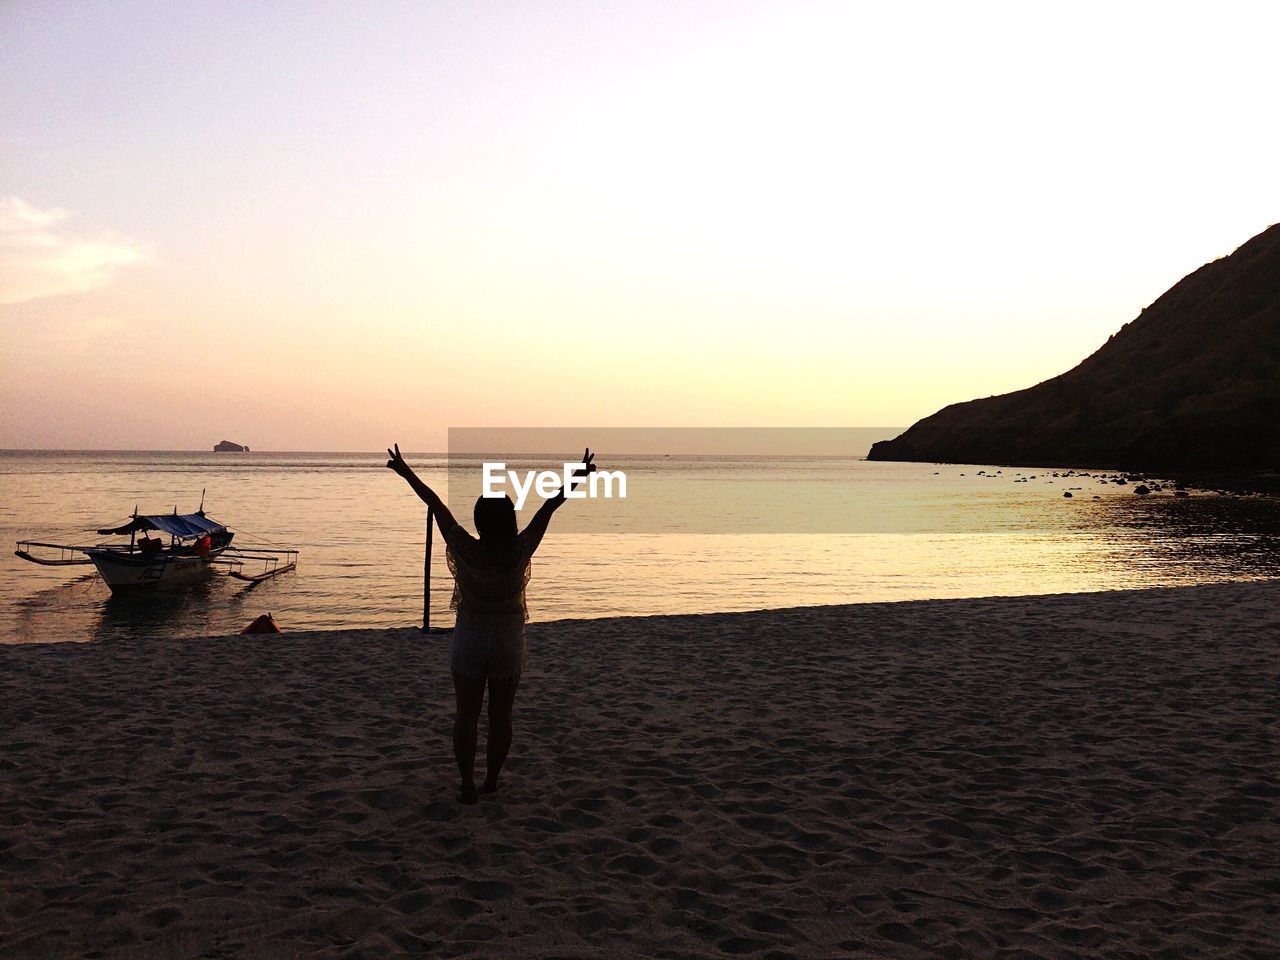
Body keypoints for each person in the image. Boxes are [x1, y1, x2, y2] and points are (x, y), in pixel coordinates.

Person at [385, 443, 597, 804]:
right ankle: (492, 781)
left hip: (469, 639)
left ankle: (467, 785)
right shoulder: (519, 550)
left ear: (480, 522)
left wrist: (406, 472)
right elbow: (548, 507)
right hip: (506, 643)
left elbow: (435, 505)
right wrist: (577, 476)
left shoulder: (466, 548)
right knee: (501, 716)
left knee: (465, 715)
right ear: (510, 520)